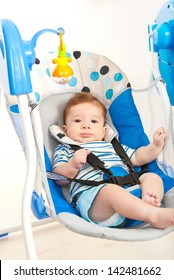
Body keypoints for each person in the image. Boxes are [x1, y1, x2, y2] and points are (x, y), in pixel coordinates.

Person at [52, 92, 174, 229]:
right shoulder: (66, 149)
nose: (86, 125)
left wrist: (155, 146)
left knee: (152, 177)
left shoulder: (113, 146)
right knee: (110, 191)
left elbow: (138, 157)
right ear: (65, 129)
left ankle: (150, 200)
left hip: (132, 196)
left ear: (104, 131)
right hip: (96, 202)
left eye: (93, 121)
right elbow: (58, 177)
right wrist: (71, 166)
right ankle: (154, 215)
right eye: (77, 120)